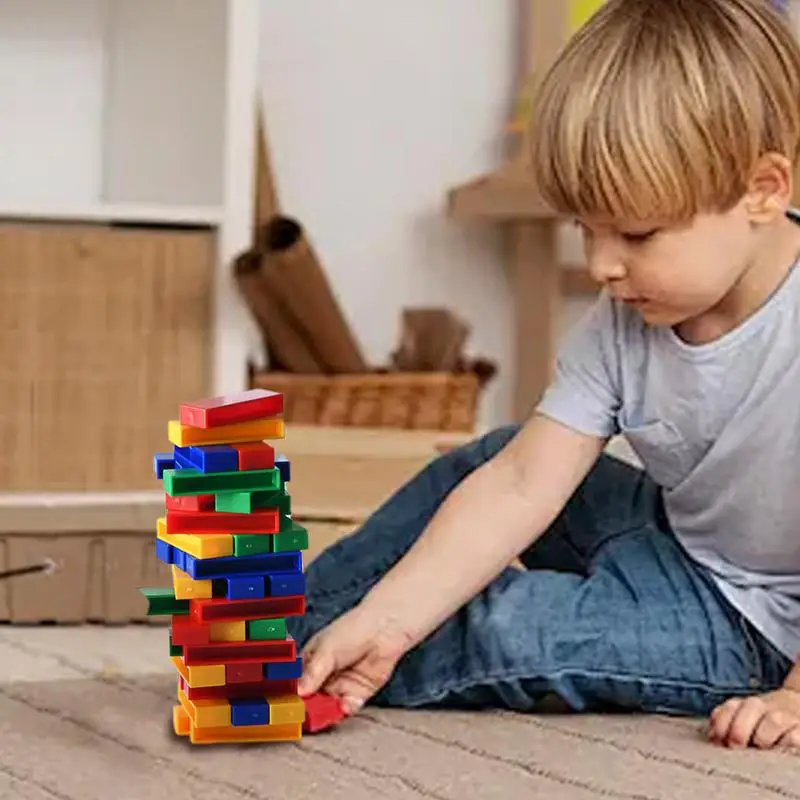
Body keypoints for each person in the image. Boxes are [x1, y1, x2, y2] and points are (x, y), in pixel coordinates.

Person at [286, 0, 800, 751]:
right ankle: (304, 619)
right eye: (583, 229)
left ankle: (323, 662)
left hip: (759, 627)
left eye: (636, 233)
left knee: (508, 634)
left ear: (763, 190)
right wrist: (389, 612)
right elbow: (524, 483)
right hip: (679, 542)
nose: (601, 266)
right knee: (496, 457)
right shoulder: (626, 316)